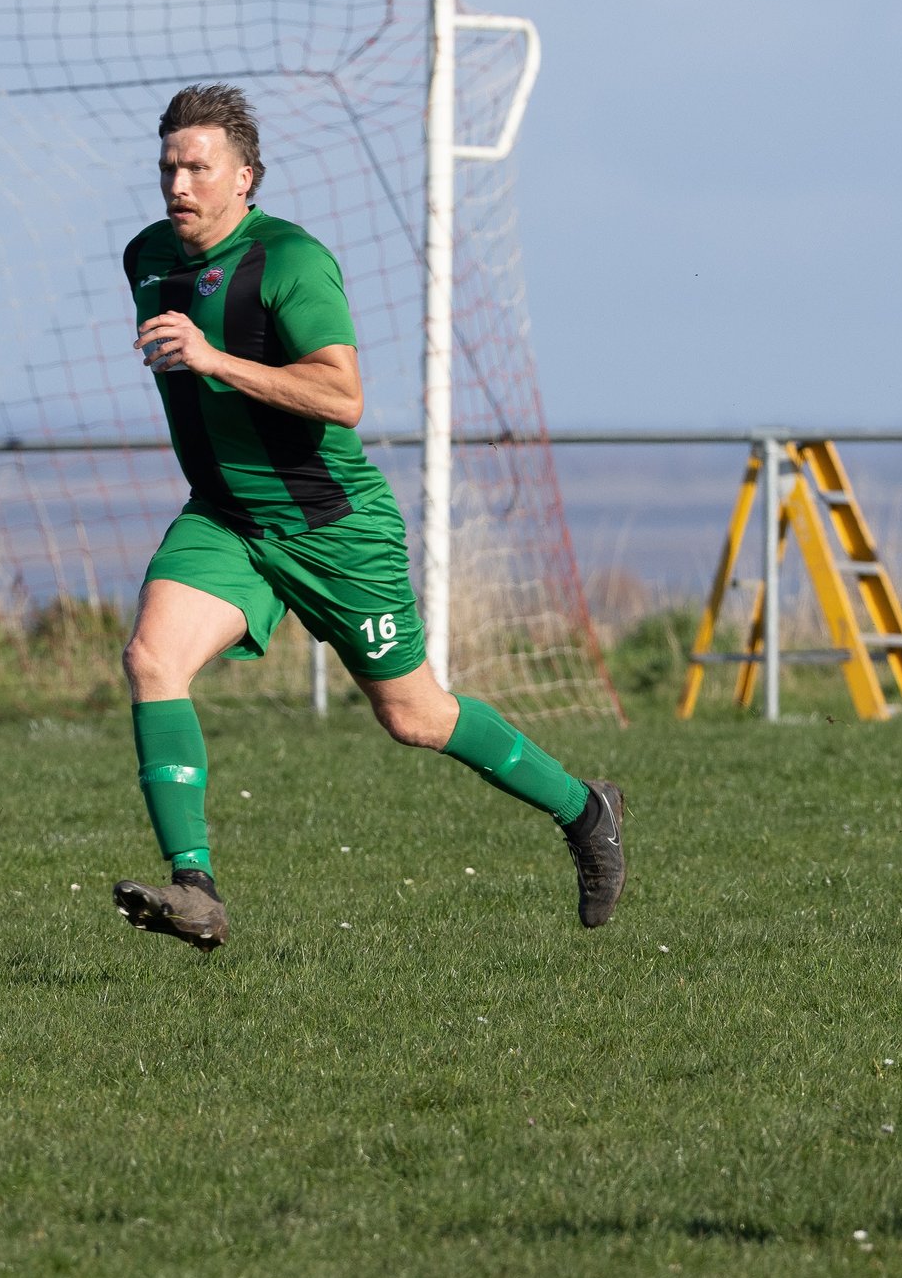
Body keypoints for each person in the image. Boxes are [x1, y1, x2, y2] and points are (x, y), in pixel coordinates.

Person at [110, 85, 624, 949]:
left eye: (199, 167)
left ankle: (586, 810)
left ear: (246, 177)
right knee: (151, 658)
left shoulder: (291, 261)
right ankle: (193, 886)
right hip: (229, 521)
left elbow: (342, 396)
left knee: (415, 717)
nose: (179, 184)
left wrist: (213, 359)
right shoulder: (146, 257)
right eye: (169, 167)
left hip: (334, 527)